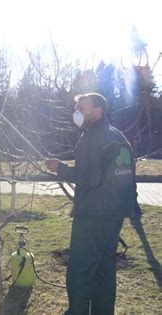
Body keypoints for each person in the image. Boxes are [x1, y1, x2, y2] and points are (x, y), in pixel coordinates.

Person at [44, 93, 136, 315]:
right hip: (114, 216)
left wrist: (59, 168)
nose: (77, 112)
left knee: (80, 271)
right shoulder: (118, 137)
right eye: (76, 107)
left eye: (82, 108)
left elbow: (88, 177)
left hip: (92, 216)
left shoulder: (92, 138)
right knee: (104, 269)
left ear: (98, 111)